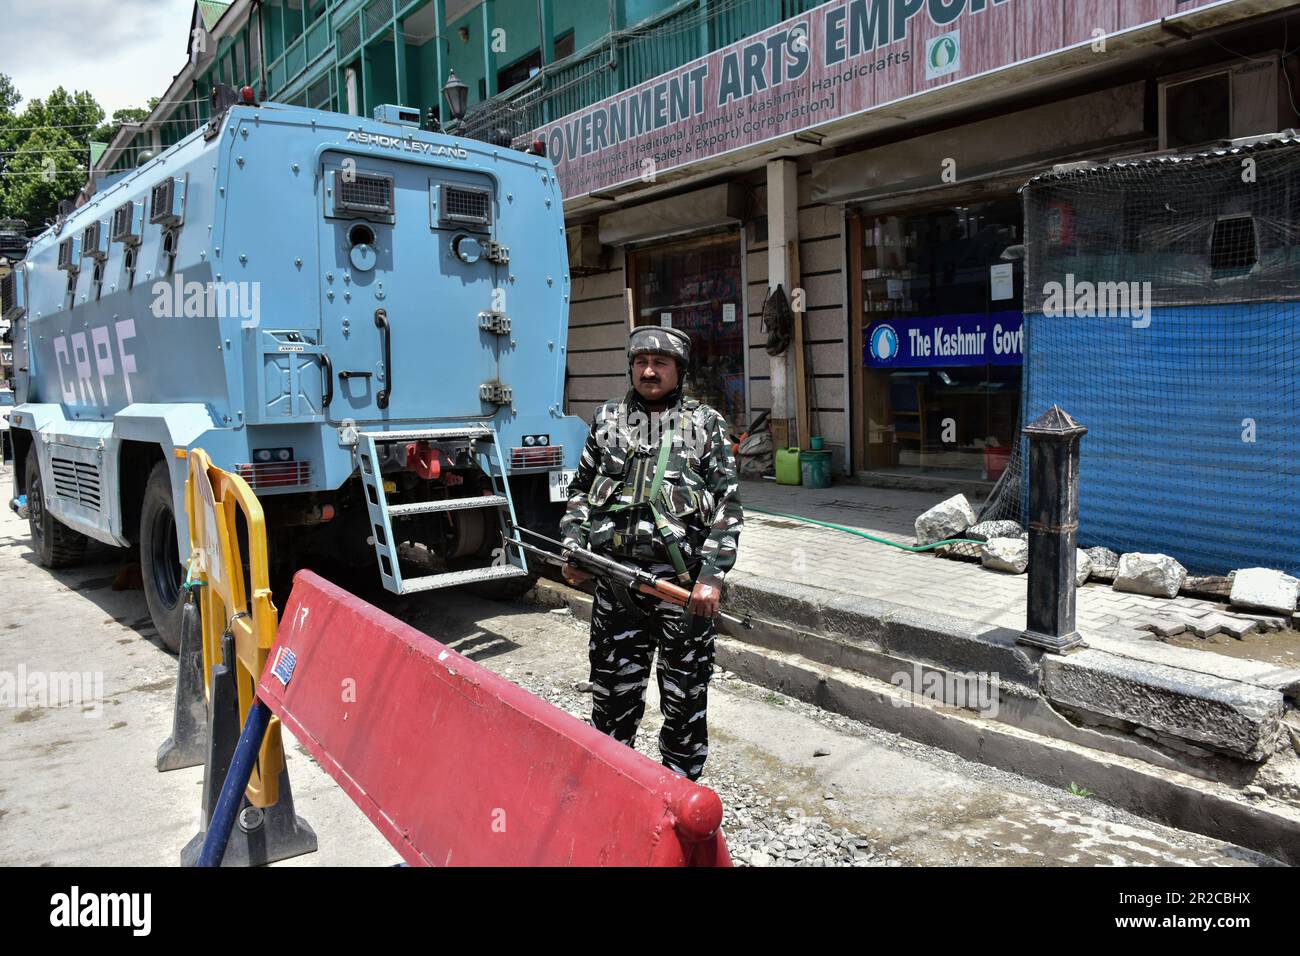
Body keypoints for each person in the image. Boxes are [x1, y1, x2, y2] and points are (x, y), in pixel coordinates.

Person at [559, 326, 743, 781]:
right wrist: (574, 545)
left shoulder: (706, 425)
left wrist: (711, 577)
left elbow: (727, 505)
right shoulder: (606, 420)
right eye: (641, 361)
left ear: (679, 371)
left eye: (660, 363)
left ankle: (680, 799)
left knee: (684, 705)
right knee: (611, 700)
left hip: (680, 594)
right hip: (616, 586)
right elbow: (579, 491)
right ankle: (615, 790)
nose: (648, 370)